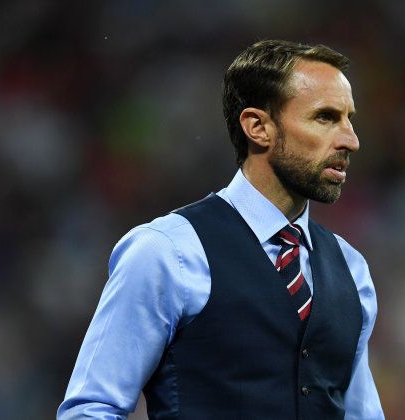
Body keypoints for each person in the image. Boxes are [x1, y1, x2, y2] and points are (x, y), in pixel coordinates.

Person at [58, 39, 384, 419]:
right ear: (258, 127)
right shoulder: (168, 251)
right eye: (325, 117)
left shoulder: (351, 270)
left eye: (349, 119)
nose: (351, 140)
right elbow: (92, 409)